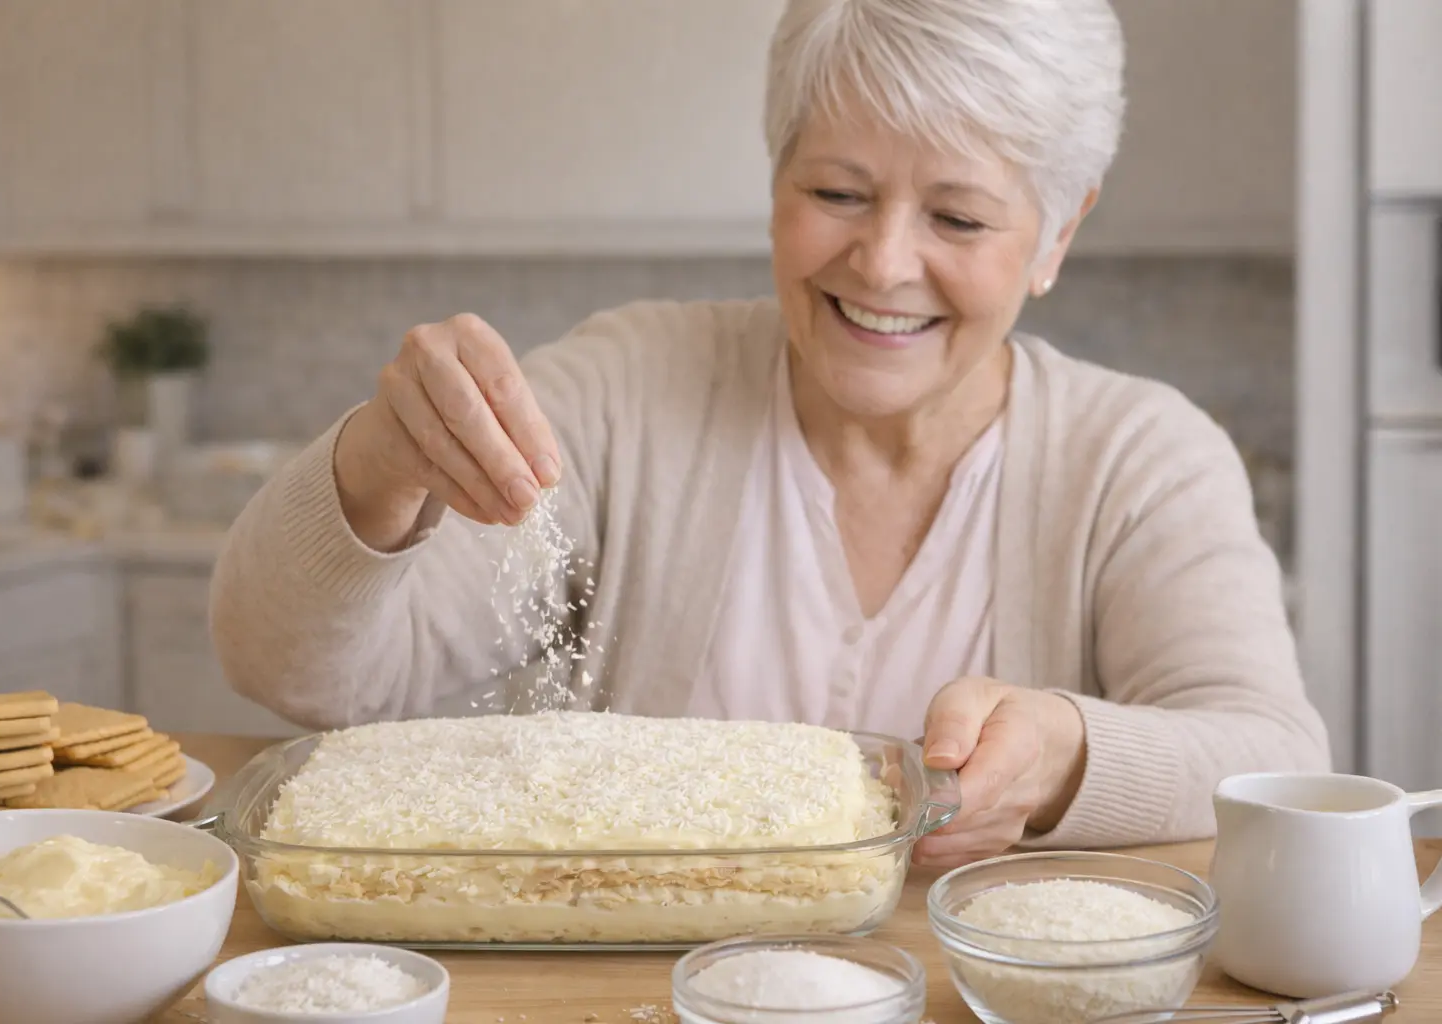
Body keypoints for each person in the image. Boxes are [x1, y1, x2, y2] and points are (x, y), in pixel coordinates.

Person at [209, 0, 1329, 869]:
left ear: (1055, 234)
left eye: (958, 217)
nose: (884, 263)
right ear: (774, 176)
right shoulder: (625, 391)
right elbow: (304, 674)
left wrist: (1069, 755)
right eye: (838, 192)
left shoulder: (1139, 456)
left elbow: (1272, 754)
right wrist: (374, 469)